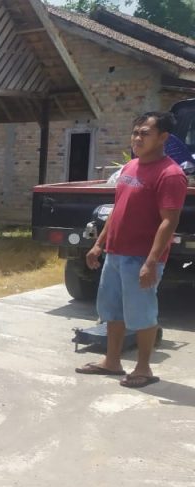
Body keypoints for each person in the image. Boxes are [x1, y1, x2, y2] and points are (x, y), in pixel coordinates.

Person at [76, 111, 186, 388]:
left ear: (163, 137)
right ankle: (111, 362)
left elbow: (169, 221)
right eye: (135, 132)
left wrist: (151, 262)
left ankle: (143, 369)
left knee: (142, 314)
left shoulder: (170, 174)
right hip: (115, 253)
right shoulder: (130, 167)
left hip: (141, 258)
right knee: (112, 311)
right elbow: (117, 211)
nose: (137, 138)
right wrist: (99, 244)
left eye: (144, 133)